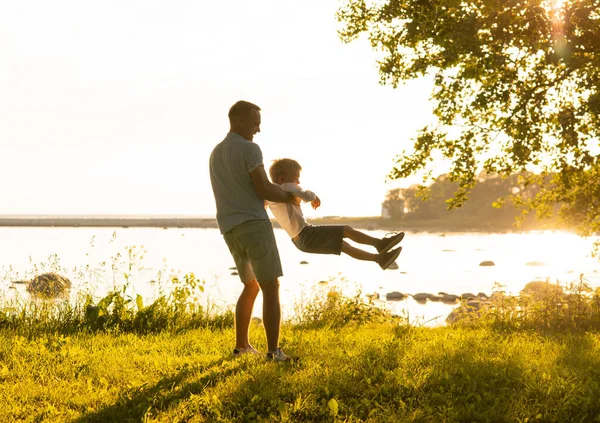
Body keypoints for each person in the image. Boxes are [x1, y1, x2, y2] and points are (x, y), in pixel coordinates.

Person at [209, 100, 298, 362]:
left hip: (229, 227)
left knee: (251, 285)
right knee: (271, 286)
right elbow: (264, 189)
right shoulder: (250, 149)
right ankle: (274, 352)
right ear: (239, 122)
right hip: (253, 223)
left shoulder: (216, 152)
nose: (258, 129)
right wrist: (292, 197)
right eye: (255, 123)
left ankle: (242, 346)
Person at [267, 158, 404, 269]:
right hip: (305, 233)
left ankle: (379, 259)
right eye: (296, 178)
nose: (298, 182)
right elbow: (306, 196)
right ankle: (379, 244)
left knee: (344, 246)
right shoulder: (286, 186)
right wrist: (314, 197)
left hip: (299, 242)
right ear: (281, 178)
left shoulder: (271, 194)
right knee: (346, 230)